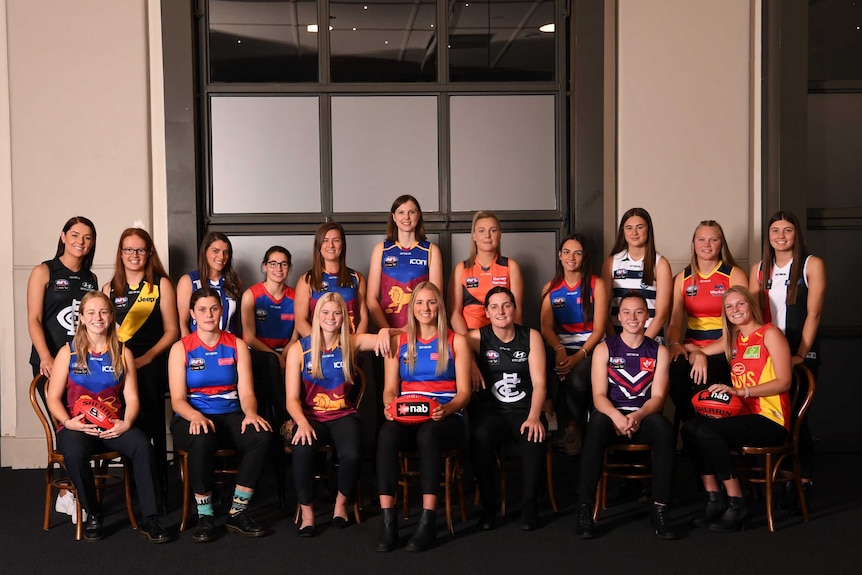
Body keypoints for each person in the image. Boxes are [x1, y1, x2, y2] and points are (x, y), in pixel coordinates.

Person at [46, 291, 169, 543]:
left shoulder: (123, 353)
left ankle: (150, 518)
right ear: (80, 318)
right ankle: (93, 513)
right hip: (78, 426)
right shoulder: (67, 353)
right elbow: (53, 398)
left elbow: (132, 399)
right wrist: (68, 422)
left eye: (103, 311)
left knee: (143, 447)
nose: (97, 317)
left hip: (114, 425)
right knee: (74, 453)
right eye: (90, 312)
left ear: (112, 316)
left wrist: (126, 423)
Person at [682, 286, 792, 532]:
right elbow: (693, 350)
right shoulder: (733, 339)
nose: (735, 310)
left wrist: (741, 392)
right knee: (690, 428)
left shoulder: (770, 334)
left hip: (770, 419)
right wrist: (698, 354)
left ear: (751, 305)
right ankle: (714, 498)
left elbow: (785, 381)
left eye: (740, 304)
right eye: (729, 307)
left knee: (709, 431)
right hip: (744, 416)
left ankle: (737, 501)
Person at [169, 287, 273, 542]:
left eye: (214, 308)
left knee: (261, 435)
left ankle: (237, 512)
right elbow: (178, 400)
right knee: (201, 438)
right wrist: (194, 416)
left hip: (231, 414)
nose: (209, 314)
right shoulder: (181, 348)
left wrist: (250, 413)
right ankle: (205, 514)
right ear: (193, 313)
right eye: (202, 309)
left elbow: (247, 391)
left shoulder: (237, 344)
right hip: (192, 416)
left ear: (221, 311)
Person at [285, 292, 392, 537]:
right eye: (325, 312)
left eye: (336, 312)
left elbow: (389, 338)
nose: (330, 317)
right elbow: (291, 399)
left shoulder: (351, 342)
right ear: (316, 316)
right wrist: (301, 422)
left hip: (343, 415)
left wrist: (386, 331)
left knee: (353, 454)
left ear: (343, 316)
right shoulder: (298, 350)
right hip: (310, 416)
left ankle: (340, 505)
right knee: (302, 450)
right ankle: (308, 513)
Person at [376, 282, 471, 553]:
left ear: (439, 306)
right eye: (419, 303)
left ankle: (428, 521)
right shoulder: (398, 342)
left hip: (445, 414)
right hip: (407, 412)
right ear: (412, 307)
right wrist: (388, 406)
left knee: (428, 435)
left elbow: (464, 393)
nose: (425, 308)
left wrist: (448, 409)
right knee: (385, 435)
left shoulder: (456, 341)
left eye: (431, 302)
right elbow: (390, 389)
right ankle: (388, 521)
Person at [574, 292, 677, 540]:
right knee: (596, 425)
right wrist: (617, 416)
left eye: (639, 312)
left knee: (665, 430)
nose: (633, 317)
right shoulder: (604, 348)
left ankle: (661, 509)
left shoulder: (659, 351)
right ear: (619, 317)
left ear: (647, 317)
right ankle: (585, 508)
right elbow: (598, 395)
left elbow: (658, 398)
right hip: (611, 414)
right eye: (627, 312)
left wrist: (638, 416)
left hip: (644, 414)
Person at [27, 215, 99, 520]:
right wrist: (45, 356)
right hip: (49, 364)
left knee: (85, 427)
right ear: (63, 236)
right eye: (75, 235)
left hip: (82, 366)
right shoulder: (44, 271)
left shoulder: (91, 279)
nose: (80, 242)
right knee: (64, 425)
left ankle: (74, 491)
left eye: (87, 237)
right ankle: (69, 493)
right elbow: (33, 319)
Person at [750, 210, 825, 500]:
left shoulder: (811, 264)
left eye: (788, 231)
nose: (781, 237)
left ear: (796, 234)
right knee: (768, 417)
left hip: (799, 350)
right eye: (775, 231)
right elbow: (754, 316)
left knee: (797, 418)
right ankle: (774, 480)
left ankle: (802, 481)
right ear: (768, 237)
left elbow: (814, 314)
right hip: (767, 353)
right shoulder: (759, 268)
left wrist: (800, 354)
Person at [103, 228, 179, 513]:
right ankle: (132, 487)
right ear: (121, 254)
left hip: (152, 362)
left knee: (150, 425)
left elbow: (172, 331)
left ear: (149, 253)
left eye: (140, 250)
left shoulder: (160, 285)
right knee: (121, 418)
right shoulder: (109, 288)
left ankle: (157, 493)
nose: (134, 255)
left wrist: (146, 358)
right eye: (128, 250)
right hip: (121, 363)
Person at [467, 287, 546, 531]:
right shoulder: (477, 337)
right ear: (487, 312)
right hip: (494, 411)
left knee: (534, 438)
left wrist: (534, 417)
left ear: (514, 308)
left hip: (526, 408)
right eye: (494, 307)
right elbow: (453, 343)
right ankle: (489, 507)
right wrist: (470, 362)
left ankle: (529, 505)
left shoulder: (531, 336)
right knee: (479, 437)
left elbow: (541, 382)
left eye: (506, 305)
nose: (501, 311)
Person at [666, 220, 747, 423]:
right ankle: (691, 425)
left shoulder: (733, 274)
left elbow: (741, 326)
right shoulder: (682, 278)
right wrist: (676, 345)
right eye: (701, 239)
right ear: (693, 244)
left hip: (726, 346)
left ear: (721, 244)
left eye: (713, 239)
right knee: (673, 372)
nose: (707, 245)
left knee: (704, 376)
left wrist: (702, 353)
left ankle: (704, 435)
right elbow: (675, 323)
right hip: (692, 345)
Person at [540, 233, 608, 454]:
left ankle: (573, 425)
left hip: (591, 347)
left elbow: (599, 329)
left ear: (584, 257)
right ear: (559, 256)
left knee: (577, 377)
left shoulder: (597, 285)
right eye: (567, 252)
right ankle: (550, 420)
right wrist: (559, 350)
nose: (572, 257)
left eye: (577, 253)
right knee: (542, 365)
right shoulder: (550, 288)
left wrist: (579, 356)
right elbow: (546, 327)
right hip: (561, 345)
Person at [367, 194, 444, 330]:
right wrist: (388, 331)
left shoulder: (431, 250)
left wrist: (411, 329)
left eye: (411, 212)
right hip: (386, 332)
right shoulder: (381, 250)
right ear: (394, 217)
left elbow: (436, 298)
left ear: (418, 215)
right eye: (401, 212)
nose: (406, 217)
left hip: (421, 330)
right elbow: (371, 299)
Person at [240, 246, 297, 427]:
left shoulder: (296, 297)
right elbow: (249, 338)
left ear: (289, 268)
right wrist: (277, 358)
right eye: (273, 263)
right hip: (255, 351)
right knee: (270, 363)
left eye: (283, 264)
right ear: (264, 266)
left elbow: (295, 337)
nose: (278, 269)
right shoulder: (251, 295)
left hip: (285, 351)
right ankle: (286, 419)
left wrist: (285, 355)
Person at [602, 207, 673, 340]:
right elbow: (603, 310)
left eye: (640, 227)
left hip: (650, 339)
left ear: (648, 230)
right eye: (629, 228)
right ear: (623, 231)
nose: (634, 232)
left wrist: (642, 344)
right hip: (618, 339)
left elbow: (662, 314)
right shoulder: (612, 262)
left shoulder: (660, 264)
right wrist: (616, 343)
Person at [448, 210, 524, 334]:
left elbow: (517, 312)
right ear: (474, 235)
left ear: (500, 234)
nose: (487, 236)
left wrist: (507, 342)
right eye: (481, 230)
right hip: (469, 335)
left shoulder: (511, 267)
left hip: (502, 335)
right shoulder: (461, 269)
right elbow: (454, 313)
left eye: (493, 230)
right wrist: (467, 341)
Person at [295, 222, 368, 337]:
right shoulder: (307, 279)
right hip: (319, 350)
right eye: (325, 240)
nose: (331, 245)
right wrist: (324, 346)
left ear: (342, 244)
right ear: (318, 244)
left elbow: (364, 318)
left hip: (351, 348)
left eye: (336, 240)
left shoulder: (357, 278)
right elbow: (300, 322)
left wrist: (353, 346)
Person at [176, 232, 242, 337]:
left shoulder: (234, 281)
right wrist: (188, 349)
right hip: (198, 348)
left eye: (226, 252)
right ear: (205, 252)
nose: (221, 257)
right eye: (216, 251)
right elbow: (182, 323)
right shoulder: (188, 281)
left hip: (229, 346)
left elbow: (237, 321)